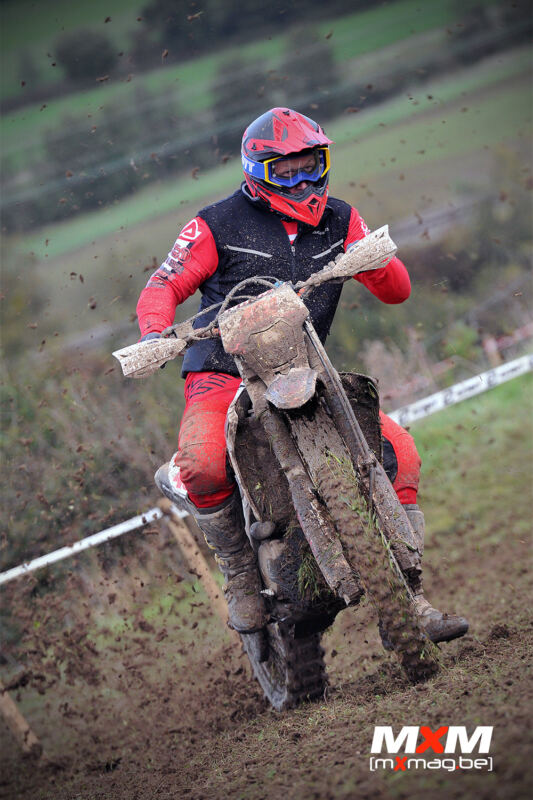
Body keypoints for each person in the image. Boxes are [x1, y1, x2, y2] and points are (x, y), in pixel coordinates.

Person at [136, 107, 468, 642]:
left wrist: (374, 259)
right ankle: (241, 576)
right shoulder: (215, 224)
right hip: (222, 373)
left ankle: (412, 600)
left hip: (305, 367)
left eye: (310, 166)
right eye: (285, 172)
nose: (301, 182)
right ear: (257, 172)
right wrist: (155, 333)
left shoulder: (342, 219)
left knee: (401, 454)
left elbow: (398, 290)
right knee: (202, 465)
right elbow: (164, 284)